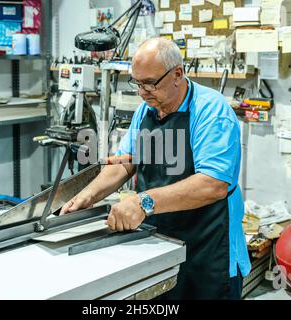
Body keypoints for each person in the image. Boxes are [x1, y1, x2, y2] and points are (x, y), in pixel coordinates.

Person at [61, 37, 251, 299]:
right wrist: (88, 195)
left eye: (150, 83)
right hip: (160, 242)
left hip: (208, 249)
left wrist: (142, 202)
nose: (142, 92)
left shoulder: (211, 111)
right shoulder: (145, 111)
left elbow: (213, 184)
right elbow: (126, 161)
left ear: (177, 74)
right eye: (137, 83)